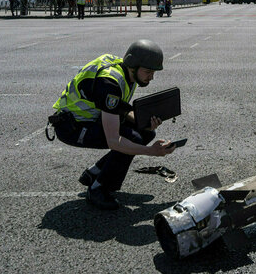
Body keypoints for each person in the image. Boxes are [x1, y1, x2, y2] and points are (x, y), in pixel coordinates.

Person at [50, 39, 176, 209]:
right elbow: (114, 141)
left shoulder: (124, 70)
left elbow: (120, 109)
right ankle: (98, 189)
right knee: (133, 138)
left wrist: (145, 123)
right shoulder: (110, 83)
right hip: (71, 128)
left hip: (87, 120)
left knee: (146, 133)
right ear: (133, 66)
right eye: (148, 72)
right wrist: (151, 152)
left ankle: (94, 173)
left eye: (153, 72)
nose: (151, 77)